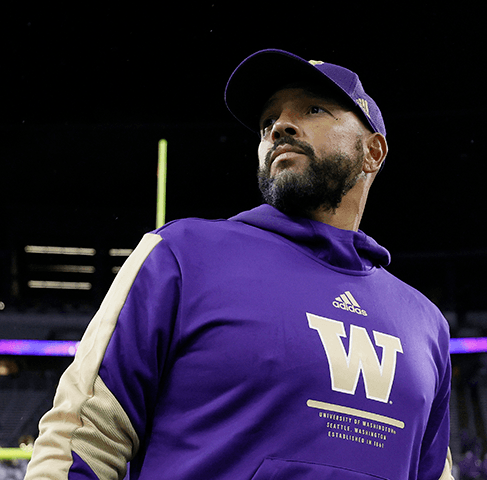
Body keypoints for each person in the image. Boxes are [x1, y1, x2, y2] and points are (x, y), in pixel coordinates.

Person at [24, 49, 453, 480]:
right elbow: (79, 441)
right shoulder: (182, 256)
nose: (280, 127)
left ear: (373, 152)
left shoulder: (424, 324)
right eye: (268, 121)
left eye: (314, 108)